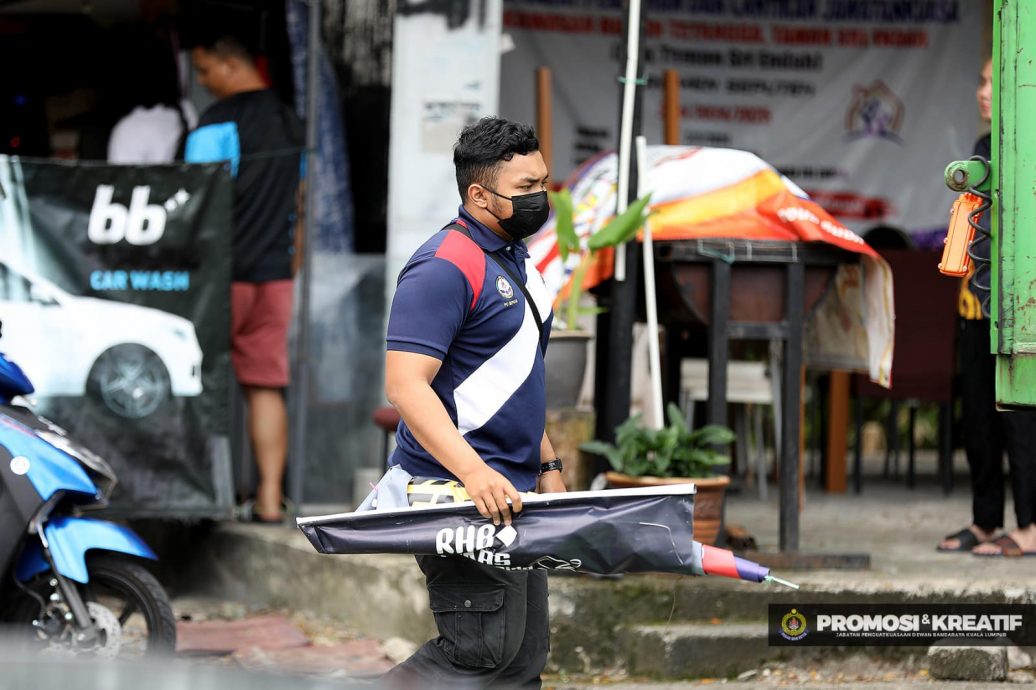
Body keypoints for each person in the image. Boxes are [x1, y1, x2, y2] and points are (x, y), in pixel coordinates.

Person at [380, 117, 566, 688]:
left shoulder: (518, 261)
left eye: (543, 183)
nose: (541, 198)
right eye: (526, 188)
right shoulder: (443, 266)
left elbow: (513, 377)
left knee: (522, 659)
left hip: (514, 492)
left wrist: (548, 464)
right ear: (479, 195)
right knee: (479, 651)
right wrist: (475, 473)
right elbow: (406, 384)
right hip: (457, 493)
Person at [184, 34, 303, 524]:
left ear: (231, 65)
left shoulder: (215, 124)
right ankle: (270, 502)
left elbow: (190, 201)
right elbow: (300, 200)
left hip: (220, 280)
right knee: (265, 388)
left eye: (206, 69)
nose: (203, 82)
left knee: (195, 382)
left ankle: (198, 501)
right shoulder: (291, 122)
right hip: (274, 278)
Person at [938, 57, 1036, 557]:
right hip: (975, 304)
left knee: (1019, 415)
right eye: (980, 82)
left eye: (993, 84)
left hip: (1018, 305)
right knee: (976, 412)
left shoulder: (1029, 147)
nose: (983, 92)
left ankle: (1031, 525)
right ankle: (984, 519)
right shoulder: (982, 147)